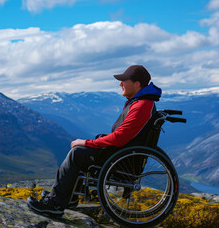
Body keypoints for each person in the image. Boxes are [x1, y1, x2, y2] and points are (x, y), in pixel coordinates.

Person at [27, 65, 162, 217]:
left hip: (120, 161)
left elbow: (119, 138)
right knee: (82, 150)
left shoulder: (142, 105)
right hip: (121, 155)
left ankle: (55, 204)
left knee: (77, 153)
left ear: (137, 84)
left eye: (124, 80)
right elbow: (122, 136)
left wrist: (87, 143)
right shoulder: (140, 102)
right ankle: (68, 197)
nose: (120, 84)